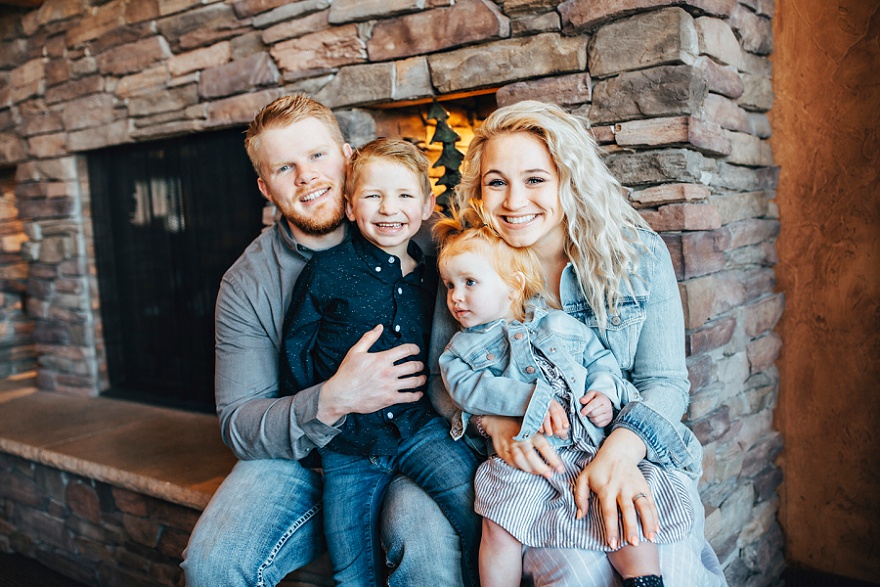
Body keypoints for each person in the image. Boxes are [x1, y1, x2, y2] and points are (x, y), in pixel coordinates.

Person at [427, 100, 728, 586]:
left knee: (663, 561)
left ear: (569, 179)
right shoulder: (473, 267)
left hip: (634, 448)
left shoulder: (637, 254)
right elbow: (444, 381)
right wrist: (496, 423)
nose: (514, 201)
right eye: (497, 181)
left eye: (536, 179)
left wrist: (621, 452)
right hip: (540, 464)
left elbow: (666, 382)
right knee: (575, 571)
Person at [181, 95, 467, 587]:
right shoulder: (248, 281)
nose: (306, 177)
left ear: (348, 156)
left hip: (417, 434)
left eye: (316, 156)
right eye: (284, 167)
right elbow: (239, 422)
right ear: (265, 187)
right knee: (212, 564)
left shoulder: (425, 238)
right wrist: (333, 399)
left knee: (427, 547)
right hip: (299, 459)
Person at [433, 203, 695, 587]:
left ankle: (644, 577)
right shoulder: (460, 350)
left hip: (590, 444)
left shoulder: (558, 323)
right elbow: (462, 388)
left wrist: (603, 393)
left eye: (470, 283)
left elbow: (601, 360)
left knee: (623, 506)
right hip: (526, 456)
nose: (456, 297)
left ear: (514, 283)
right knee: (499, 522)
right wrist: (525, 401)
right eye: (450, 285)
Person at [279, 137, 481, 586]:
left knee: (477, 511)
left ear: (428, 205)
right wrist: (319, 425)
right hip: (347, 450)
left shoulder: (438, 276)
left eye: (405, 195)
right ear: (350, 207)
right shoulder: (325, 271)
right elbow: (297, 349)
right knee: (353, 570)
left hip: (420, 430)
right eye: (373, 196)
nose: (390, 209)